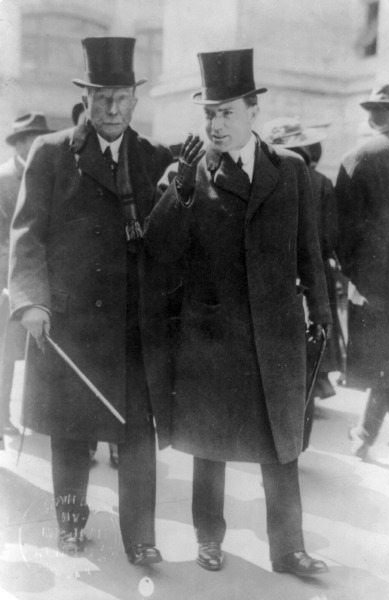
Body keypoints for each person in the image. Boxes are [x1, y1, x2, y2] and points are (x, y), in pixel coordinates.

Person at [145, 49, 332, 577]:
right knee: (210, 444)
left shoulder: (289, 169)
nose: (216, 124)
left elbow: (309, 249)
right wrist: (180, 187)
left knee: (282, 444)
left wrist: (321, 309)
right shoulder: (188, 172)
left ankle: (288, 549)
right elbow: (158, 250)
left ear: (253, 111)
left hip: (275, 329)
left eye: (226, 112)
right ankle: (208, 539)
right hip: (212, 330)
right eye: (209, 114)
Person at [8, 37, 174, 559]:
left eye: (121, 97)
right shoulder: (52, 153)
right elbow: (27, 235)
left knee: (138, 435)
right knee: (71, 434)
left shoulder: (152, 158)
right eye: (102, 97)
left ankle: (141, 540)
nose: (112, 109)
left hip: (131, 326)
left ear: (135, 100)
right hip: (71, 323)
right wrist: (31, 301)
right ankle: (70, 524)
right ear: (86, 98)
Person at [336, 84, 389, 496]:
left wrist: (356, 273)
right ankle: (363, 436)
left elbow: (339, 230)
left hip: (376, 278)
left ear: (373, 116)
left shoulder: (357, 157)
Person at [262, 117, 342, 450]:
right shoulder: (320, 181)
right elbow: (330, 236)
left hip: (275, 277)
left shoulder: (263, 176)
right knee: (311, 349)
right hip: (314, 275)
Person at [71, 101, 119, 469]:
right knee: (85, 377)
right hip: (81, 293)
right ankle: (87, 443)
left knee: (114, 377)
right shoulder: (70, 159)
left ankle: (115, 444)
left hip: (116, 290)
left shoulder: (127, 157)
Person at [0, 112, 54, 440]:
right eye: (32, 139)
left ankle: (39, 417)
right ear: (20, 143)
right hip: (8, 279)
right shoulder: (4, 178)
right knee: (6, 352)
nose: (38, 145)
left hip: (41, 275)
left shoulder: (48, 173)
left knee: (39, 348)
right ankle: (1, 417)